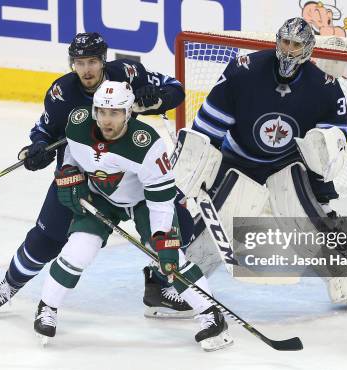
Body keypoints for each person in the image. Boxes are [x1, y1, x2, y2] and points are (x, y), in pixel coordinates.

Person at [0, 32, 194, 319]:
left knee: (181, 225)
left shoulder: (127, 72)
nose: (87, 70)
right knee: (47, 239)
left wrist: (156, 98)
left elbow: (174, 88)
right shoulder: (61, 93)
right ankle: (9, 285)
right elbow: (42, 131)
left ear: (103, 60)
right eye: (80, 63)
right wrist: (37, 149)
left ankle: (157, 283)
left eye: (92, 61)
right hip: (82, 177)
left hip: (131, 174)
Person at [183, 17, 347, 309]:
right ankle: (180, 283)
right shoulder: (244, 71)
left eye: (296, 44)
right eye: (285, 42)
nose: (289, 50)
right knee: (219, 220)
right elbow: (206, 130)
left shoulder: (325, 87)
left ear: (308, 48)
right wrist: (192, 172)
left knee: (303, 217)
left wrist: (322, 189)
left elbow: (328, 151)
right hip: (238, 160)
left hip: (287, 165)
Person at [33, 81, 233, 351]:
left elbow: (161, 199)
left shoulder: (147, 144)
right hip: (101, 199)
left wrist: (163, 236)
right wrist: (69, 171)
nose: (106, 119)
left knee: (169, 259)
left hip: (143, 203)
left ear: (128, 113)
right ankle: (48, 308)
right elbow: (73, 151)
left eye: (114, 113)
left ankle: (210, 314)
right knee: (79, 249)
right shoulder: (78, 123)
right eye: (102, 111)